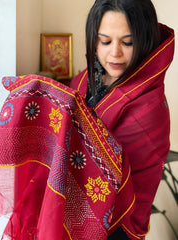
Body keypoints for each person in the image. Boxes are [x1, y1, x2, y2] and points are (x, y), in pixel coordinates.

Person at [70, 0, 175, 239]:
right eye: (105, 41)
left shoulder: (150, 110)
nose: (114, 52)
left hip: (118, 226)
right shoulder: (87, 78)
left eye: (127, 42)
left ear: (145, 41)